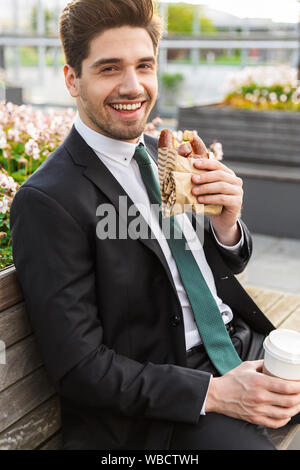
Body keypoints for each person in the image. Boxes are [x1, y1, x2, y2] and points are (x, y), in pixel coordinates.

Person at [10, 0, 300, 451]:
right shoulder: (48, 200)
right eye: (109, 68)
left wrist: (226, 224)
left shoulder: (164, 152)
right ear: (72, 78)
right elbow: (79, 368)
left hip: (240, 345)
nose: (133, 86)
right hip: (162, 409)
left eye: (144, 65)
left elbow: (200, 263)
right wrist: (215, 394)